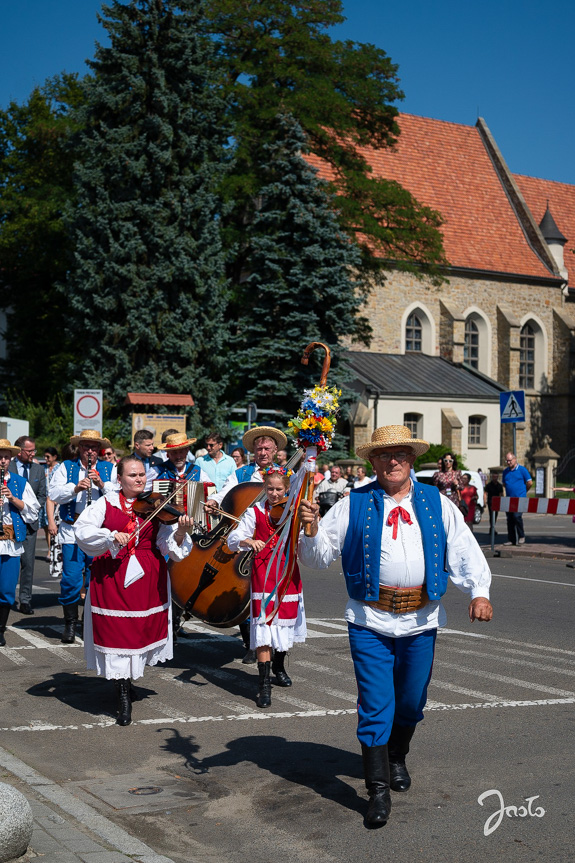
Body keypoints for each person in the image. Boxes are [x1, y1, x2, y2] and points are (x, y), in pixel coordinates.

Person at [298, 424, 492, 828]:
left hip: (421, 620)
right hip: (370, 619)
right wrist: (311, 528)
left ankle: (397, 756)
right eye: (384, 455)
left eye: (400, 454)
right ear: (373, 462)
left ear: (412, 460)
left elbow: (462, 548)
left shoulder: (436, 502)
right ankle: (377, 791)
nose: (393, 462)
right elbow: (318, 558)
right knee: (375, 705)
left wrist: (479, 591)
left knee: (411, 701)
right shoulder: (353, 502)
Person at [74, 456, 194, 725]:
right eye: (132, 475)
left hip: (148, 575)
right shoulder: (106, 503)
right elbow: (82, 531)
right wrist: (108, 536)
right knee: (117, 634)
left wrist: (180, 532)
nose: (139, 479)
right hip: (113, 574)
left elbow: (168, 546)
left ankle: (126, 684)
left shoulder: (157, 506)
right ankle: (123, 697)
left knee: (138, 634)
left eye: (141, 474)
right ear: (120, 479)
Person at [227, 466, 306, 707]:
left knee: (284, 626)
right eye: (269, 488)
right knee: (264, 628)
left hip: (287, 572)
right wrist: (249, 540)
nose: (273, 493)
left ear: (287, 489)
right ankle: (263, 686)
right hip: (263, 575)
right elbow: (233, 539)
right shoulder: (255, 512)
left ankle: (279, 667)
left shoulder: (293, 512)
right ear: (264, 488)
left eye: (279, 489)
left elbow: (305, 541)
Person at [49, 430, 117, 643]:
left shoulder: (109, 468)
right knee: (71, 579)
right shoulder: (66, 467)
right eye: (86, 447)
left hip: (98, 531)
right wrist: (76, 487)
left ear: (99, 450)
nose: (90, 451)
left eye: (94, 447)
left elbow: (118, 497)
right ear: (79, 448)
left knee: (98, 578)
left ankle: (92, 623)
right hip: (72, 529)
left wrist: (103, 486)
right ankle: (70, 624)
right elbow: (54, 494)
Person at [0, 440, 41, 646]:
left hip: (11, 541)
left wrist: (14, 499)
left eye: (6, 457)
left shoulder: (18, 482)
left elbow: (33, 511)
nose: (3, 461)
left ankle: (0, 629)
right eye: (0, 457)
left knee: (7, 588)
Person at [9, 436, 47, 615]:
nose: (33, 454)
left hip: (29, 523)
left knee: (28, 564)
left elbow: (42, 495)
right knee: (8, 562)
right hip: (9, 522)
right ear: (19, 450)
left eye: (34, 451)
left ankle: (25, 600)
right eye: (29, 451)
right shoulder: (7, 466)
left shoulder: (38, 470)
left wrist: (28, 509)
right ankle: (5, 599)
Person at [502, 452, 532, 546]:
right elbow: (504, 484)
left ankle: (521, 536)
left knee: (517, 516)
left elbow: (530, 483)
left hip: (520, 499)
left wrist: (524, 492)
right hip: (509, 499)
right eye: (507, 460)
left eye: (510, 460)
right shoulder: (505, 471)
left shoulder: (522, 470)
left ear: (515, 459)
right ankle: (512, 539)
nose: (508, 462)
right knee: (510, 519)